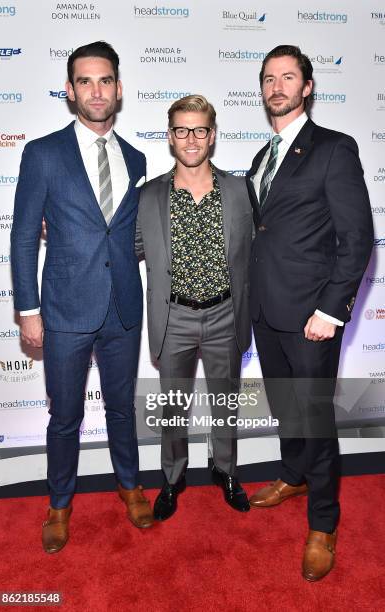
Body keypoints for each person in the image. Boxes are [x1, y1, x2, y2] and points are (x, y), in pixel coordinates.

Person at [11, 41, 153, 554]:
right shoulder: (43, 153)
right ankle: (59, 503)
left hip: (122, 307)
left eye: (106, 80)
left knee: (121, 407)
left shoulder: (136, 157)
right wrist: (29, 310)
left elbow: (130, 234)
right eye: (86, 81)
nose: (97, 90)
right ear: (70, 91)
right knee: (65, 414)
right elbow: (24, 236)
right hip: (65, 309)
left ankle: (130, 486)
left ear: (119, 88)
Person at [246, 45, 373, 581]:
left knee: (315, 420)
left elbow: (359, 237)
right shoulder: (261, 157)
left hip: (312, 318)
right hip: (267, 312)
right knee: (285, 407)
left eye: (288, 77)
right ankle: (293, 475)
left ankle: (324, 522)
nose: (278, 86)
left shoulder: (334, 149)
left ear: (308, 86)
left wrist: (332, 309)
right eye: (269, 78)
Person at [136, 95, 253, 520]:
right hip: (174, 318)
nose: (191, 138)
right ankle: (172, 477)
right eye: (182, 130)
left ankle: (225, 470)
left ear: (213, 135)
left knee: (226, 402)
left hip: (226, 313)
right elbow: (123, 247)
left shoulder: (240, 190)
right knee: (172, 405)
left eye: (199, 129)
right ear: (170, 136)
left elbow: (264, 246)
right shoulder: (149, 197)